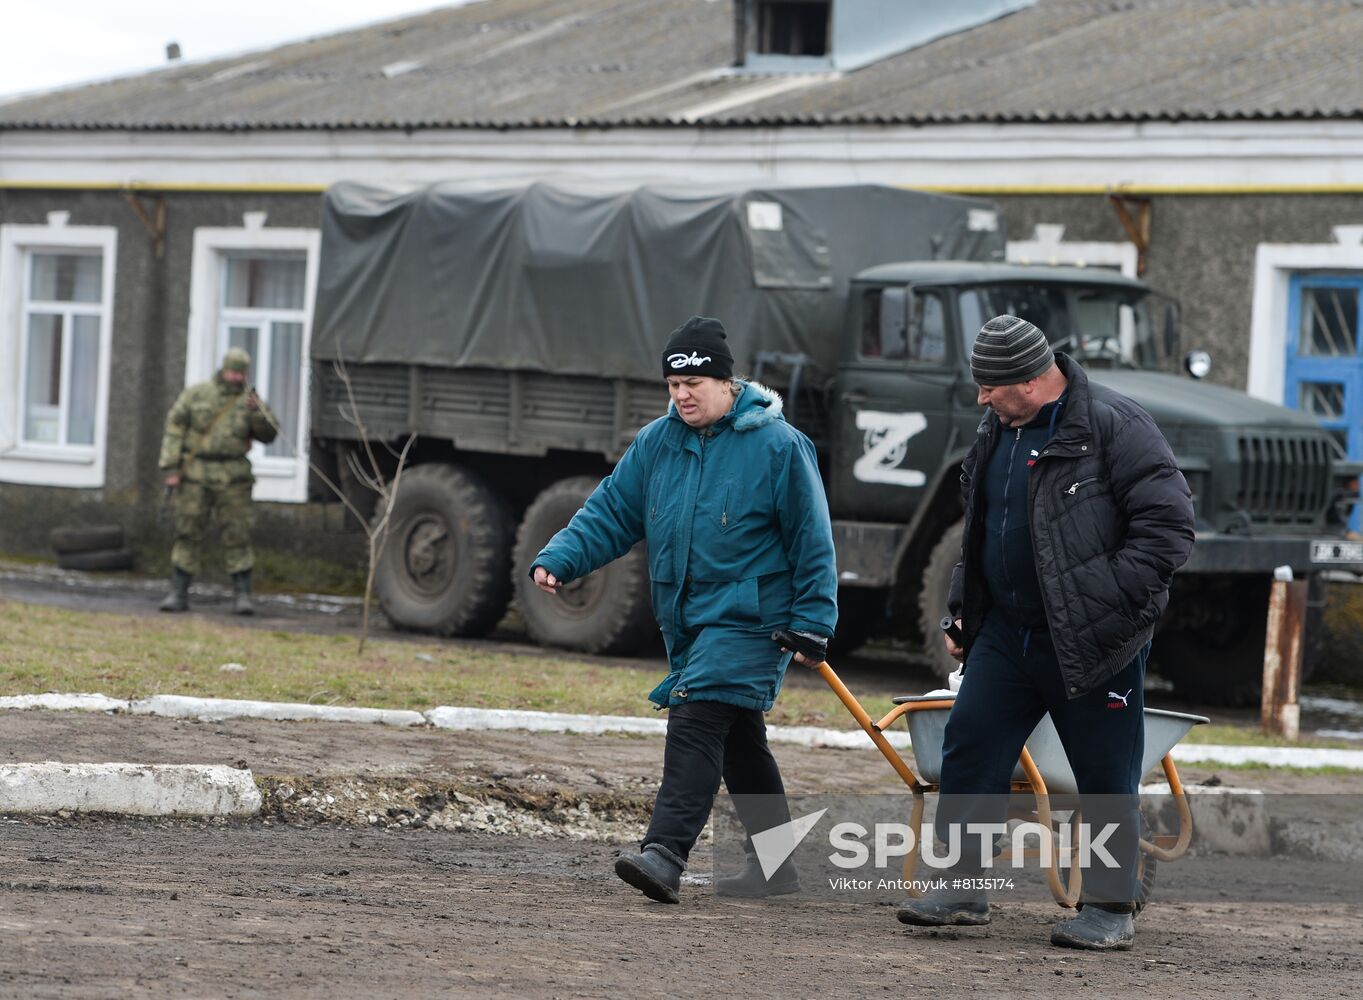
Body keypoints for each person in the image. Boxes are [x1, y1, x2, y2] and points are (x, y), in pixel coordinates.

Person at [896, 315, 1195, 950]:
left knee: (1104, 771)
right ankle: (960, 888)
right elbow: (981, 529)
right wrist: (963, 610)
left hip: (1094, 638)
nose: (980, 398)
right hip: (1007, 633)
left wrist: (1105, 603)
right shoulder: (995, 430)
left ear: (1032, 381)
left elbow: (1168, 531)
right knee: (970, 748)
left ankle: (1110, 910)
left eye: (990, 386)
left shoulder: (1117, 426)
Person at [530, 316, 838, 904]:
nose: (683, 394)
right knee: (741, 741)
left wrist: (815, 620)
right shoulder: (658, 442)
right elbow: (613, 511)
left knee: (695, 715)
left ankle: (665, 852)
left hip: (757, 620)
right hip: (689, 620)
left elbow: (812, 537)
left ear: (728, 382)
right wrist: (562, 556)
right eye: (673, 384)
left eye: (694, 382)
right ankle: (776, 867)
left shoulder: (779, 446)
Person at [157, 347, 278, 615]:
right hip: (196, 473)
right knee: (187, 530)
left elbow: (270, 434)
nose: (236, 377)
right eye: (233, 371)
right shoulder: (198, 394)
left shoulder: (250, 401)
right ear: (224, 369)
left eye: (241, 373)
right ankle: (178, 592)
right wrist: (171, 468)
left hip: (233, 475)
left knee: (238, 533)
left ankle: (242, 595)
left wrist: (257, 412)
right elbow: (174, 427)